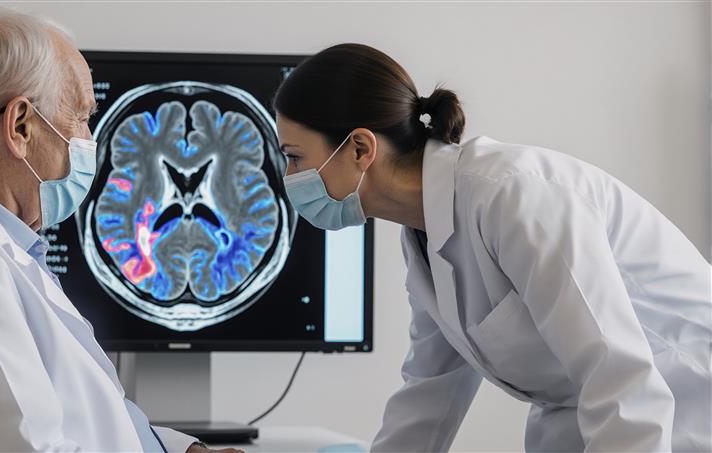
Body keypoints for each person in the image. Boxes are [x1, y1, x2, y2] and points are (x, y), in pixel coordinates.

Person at [273, 43, 711, 452]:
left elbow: (620, 378)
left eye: (294, 156)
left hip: (685, 411)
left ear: (359, 148)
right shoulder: (425, 234)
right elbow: (430, 389)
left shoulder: (513, 196)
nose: (289, 175)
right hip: (587, 423)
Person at [0, 8, 241, 453]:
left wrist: (181, 450)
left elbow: (94, 420)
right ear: (21, 126)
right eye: (83, 116)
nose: (91, 141)